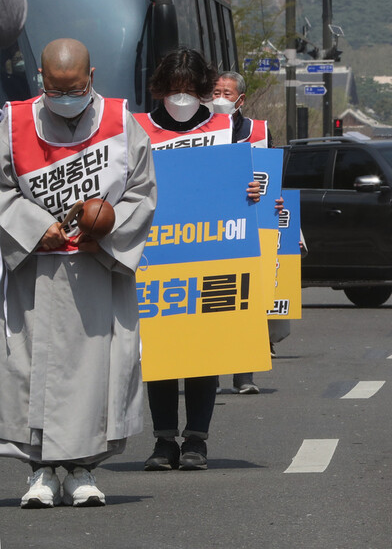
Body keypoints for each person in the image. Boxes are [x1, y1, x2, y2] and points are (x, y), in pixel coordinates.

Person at [0, 38, 157, 507]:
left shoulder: (120, 122)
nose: (65, 96)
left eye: (73, 87)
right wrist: (33, 226)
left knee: (99, 368)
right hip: (34, 269)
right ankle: (41, 473)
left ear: (91, 78)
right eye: (55, 88)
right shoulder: (12, 123)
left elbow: (142, 192)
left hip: (95, 268)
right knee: (31, 369)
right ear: (42, 81)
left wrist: (104, 230)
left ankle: (83, 468)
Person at [134, 48, 261, 472]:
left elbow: (253, 180)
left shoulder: (227, 128)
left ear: (204, 90)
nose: (182, 97)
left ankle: (197, 441)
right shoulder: (139, 130)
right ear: (161, 90)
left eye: (190, 89)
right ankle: (163, 440)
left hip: (212, 251)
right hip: (158, 254)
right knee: (161, 352)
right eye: (175, 89)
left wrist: (253, 192)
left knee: (203, 350)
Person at [212, 70, 278, 394]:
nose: (220, 98)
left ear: (241, 99)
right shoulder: (199, 131)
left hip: (248, 226)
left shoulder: (258, 131)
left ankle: (244, 375)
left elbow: (272, 178)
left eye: (227, 93)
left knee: (245, 300)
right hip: (209, 229)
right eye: (215, 92)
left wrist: (264, 193)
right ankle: (206, 371)